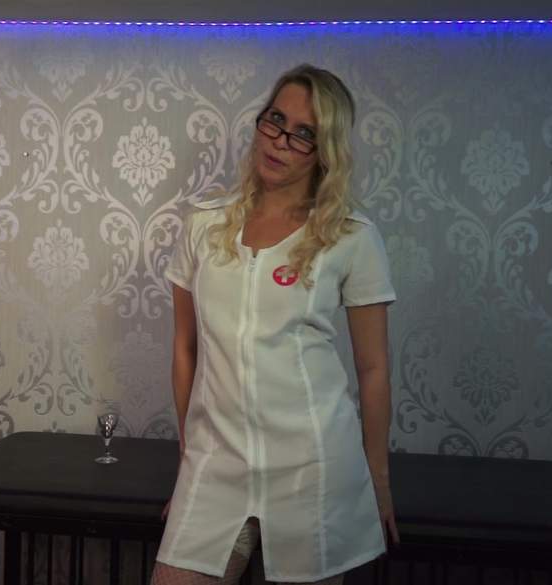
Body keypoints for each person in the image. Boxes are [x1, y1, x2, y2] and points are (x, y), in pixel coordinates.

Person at [152, 63, 399, 585]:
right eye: (276, 120)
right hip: (216, 465)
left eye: (304, 133)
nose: (281, 141)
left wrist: (377, 480)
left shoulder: (352, 237)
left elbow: (373, 369)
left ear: (325, 150)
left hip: (314, 470)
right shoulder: (203, 226)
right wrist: (190, 458)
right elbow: (185, 348)